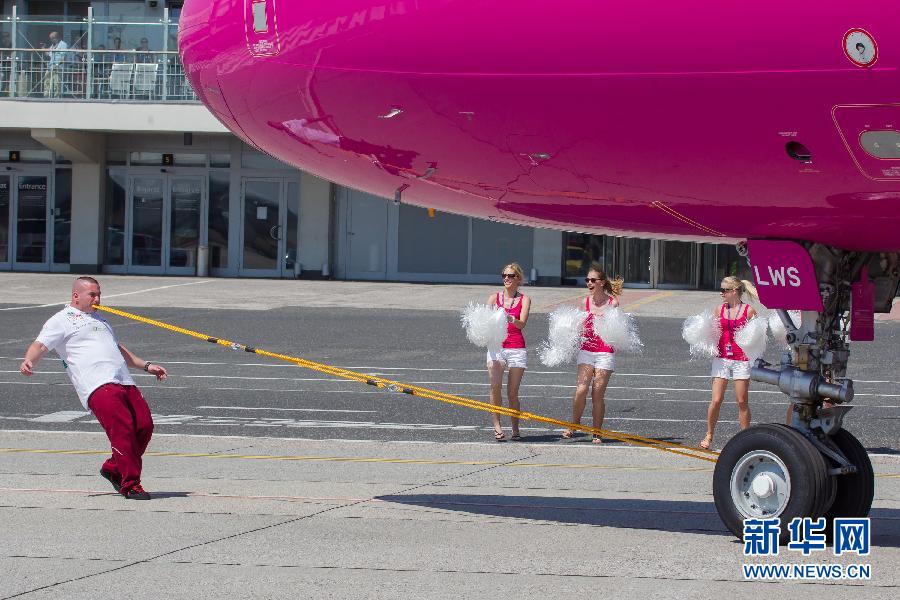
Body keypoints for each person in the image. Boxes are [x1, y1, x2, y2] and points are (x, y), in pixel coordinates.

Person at [19, 277, 168, 499]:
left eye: (99, 294)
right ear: (76, 296)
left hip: (123, 381)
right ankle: (130, 483)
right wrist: (29, 360)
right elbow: (40, 344)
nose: (97, 299)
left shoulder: (100, 319)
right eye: (92, 295)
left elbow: (118, 350)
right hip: (97, 385)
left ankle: (113, 467)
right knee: (123, 431)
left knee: (144, 425)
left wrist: (146, 365)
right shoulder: (61, 320)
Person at [562, 266, 622, 443]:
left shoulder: (613, 303)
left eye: (592, 280)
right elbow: (578, 325)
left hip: (605, 352)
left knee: (597, 393)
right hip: (587, 350)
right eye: (587, 280)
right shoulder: (585, 302)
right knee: (581, 390)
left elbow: (618, 331)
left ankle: (597, 432)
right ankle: (575, 423)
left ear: (602, 282)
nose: (589, 283)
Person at [699, 276, 759, 449]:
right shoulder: (719, 309)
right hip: (722, 358)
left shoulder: (749, 311)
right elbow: (712, 332)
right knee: (716, 399)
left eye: (724, 290)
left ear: (734, 292)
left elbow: (756, 337)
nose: (721, 293)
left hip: (741, 359)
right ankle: (709, 434)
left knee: (741, 401)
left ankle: (745, 437)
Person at [485, 262, 531, 441]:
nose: (506, 278)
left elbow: (522, 323)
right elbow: (483, 322)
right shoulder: (493, 298)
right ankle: (497, 426)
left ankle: (515, 427)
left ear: (518, 279)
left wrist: (510, 317)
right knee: (495, 386)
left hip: (516, 347)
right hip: (496, 347)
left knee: (512, 392)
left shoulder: (524, 299)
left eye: (510, 276)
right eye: (504, 275)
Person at [44, 31, 68, 97]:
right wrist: (43, 49)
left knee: (57, 83)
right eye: (51, 39)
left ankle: (56, 96)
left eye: (52, 39)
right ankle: (46, 95)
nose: (51, 40)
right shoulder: (53, 45)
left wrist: (58, 65)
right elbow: (48, 54)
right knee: (47, 80)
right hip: (50, 66)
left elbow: (63, 56)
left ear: (56, 38)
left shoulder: (63, 44)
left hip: (58, 66)